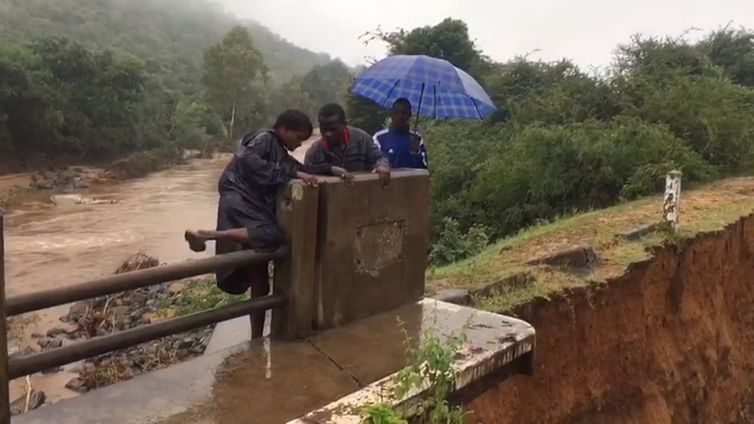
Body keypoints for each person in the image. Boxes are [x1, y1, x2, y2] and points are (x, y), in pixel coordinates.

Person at [184, 110, 350, 339]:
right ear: (285, 129)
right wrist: (291, 175)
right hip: (239, 198)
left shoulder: (278, 150)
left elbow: (298, 168)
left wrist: (330, 169)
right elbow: (249, 161)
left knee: (259, 277)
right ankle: (210, 235)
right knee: (272, 235)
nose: (299, 143)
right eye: (298, 138)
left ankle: (256, 337)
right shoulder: (264, 139)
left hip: (249, 204)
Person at [305, 103, 391, 186]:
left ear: (345, 124)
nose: (328, 134)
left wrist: (382, 166)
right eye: (324, 130)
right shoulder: (314, 152)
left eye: (333, 129)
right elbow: (307, 174)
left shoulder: (362, 139)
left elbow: (379, 158)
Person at [373, 98, 428, 169]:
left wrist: (415, 152)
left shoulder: (417, 139)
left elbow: (424, 169)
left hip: (412, 179)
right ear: (391, 114)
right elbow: (373, 164)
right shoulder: (379, 138)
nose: (400, 116)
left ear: (409, 115)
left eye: (404, 113)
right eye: (396, 112)